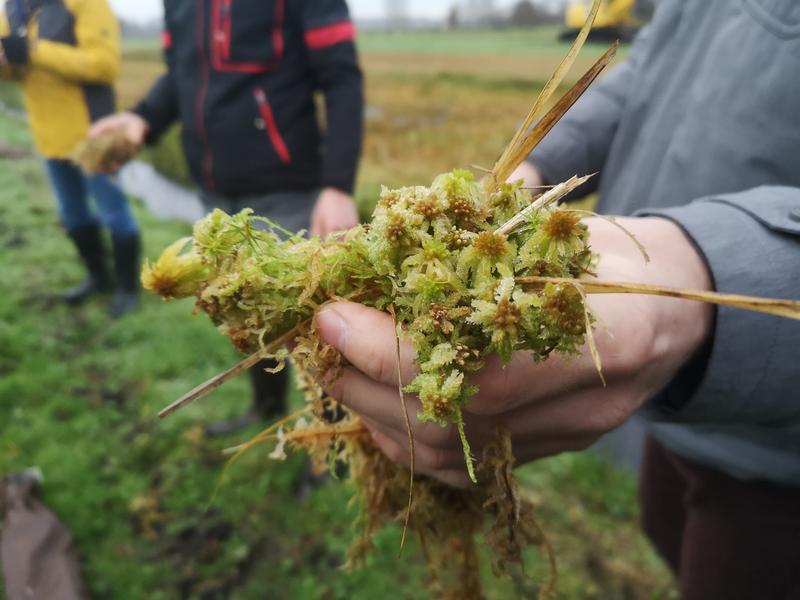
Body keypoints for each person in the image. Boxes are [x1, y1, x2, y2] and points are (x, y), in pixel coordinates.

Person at [312, 1, 800, 598]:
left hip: (773, 449)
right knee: (663, 523)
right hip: (674, 407)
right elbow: (653, 71)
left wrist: (708, 275)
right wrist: (536, 162)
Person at [90, 0, 364, 433]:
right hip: (215, 194)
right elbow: (182, 73)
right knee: (248, 313)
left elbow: (342, 78)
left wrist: (338, 185)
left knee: (315, 327)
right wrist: (142, 119)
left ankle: (334, 440)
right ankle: (267, 408)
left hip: (288, 189)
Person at [0, 0, 141, 318]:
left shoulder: (86, 3)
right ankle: (99, 278)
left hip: (93, 134)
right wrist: (8, 62)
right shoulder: (12, 8)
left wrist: (34, 51)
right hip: (47, 134)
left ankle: (127, 289)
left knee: (114, 213)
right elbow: (14, 71)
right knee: (72, 214)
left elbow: (105, 66)